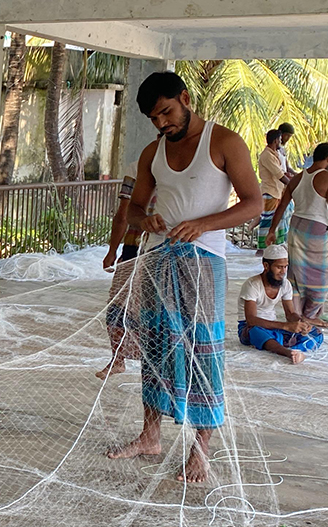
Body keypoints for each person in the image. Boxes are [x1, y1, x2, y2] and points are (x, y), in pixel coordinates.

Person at [106, 71, 263, 483]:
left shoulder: (224, 142)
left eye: (167, 112)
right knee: (157, 345)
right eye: (154, 119)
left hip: (204, 261)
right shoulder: (151, 153)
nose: (162, 124)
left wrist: (203, 225)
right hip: (158, 258)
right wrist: (147, 219)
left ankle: (200, 450)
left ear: (185, 98)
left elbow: (254, 204)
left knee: (202, 349)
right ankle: (150, 436)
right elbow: (135, 209)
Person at [268, 142, 328, 319]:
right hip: (315, 229)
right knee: (322, 274)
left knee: (296, 276)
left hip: (295, 228)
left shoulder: (297, 178)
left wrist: (272, 229)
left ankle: (297, 316)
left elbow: (282, 206)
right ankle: (309, 316)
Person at [238, 245, 325, 364]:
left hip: (274, 328)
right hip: (250, 328)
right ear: (266, 266)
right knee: (256, 331)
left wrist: (300, 323)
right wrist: (285, 326)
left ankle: (298, 352)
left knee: (316, 333)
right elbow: (251, 320)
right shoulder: (252, 285)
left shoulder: (286, 284)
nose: (283, 272)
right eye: (279, 267)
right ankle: (288, 353)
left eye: (285, 267)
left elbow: (290, 314)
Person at [98, 174, 144, 378]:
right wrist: (112, 250)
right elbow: (123, 214)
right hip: (133, 248)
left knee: (153, 307)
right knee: (118, 302)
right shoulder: (135, 171)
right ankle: (117, 359)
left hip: (164, 249)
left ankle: (153, 363)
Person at [256, 129, 286, 254]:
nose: (281, 142)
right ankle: (262, 248)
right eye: (279, 140)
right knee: (267, 220)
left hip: (276, 191)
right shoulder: (267, 155)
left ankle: (273, 245)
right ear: (275, 141)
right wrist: (293, 185)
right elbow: (279, 174)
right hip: (270, 191)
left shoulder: (274, 154)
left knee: (276, 220)